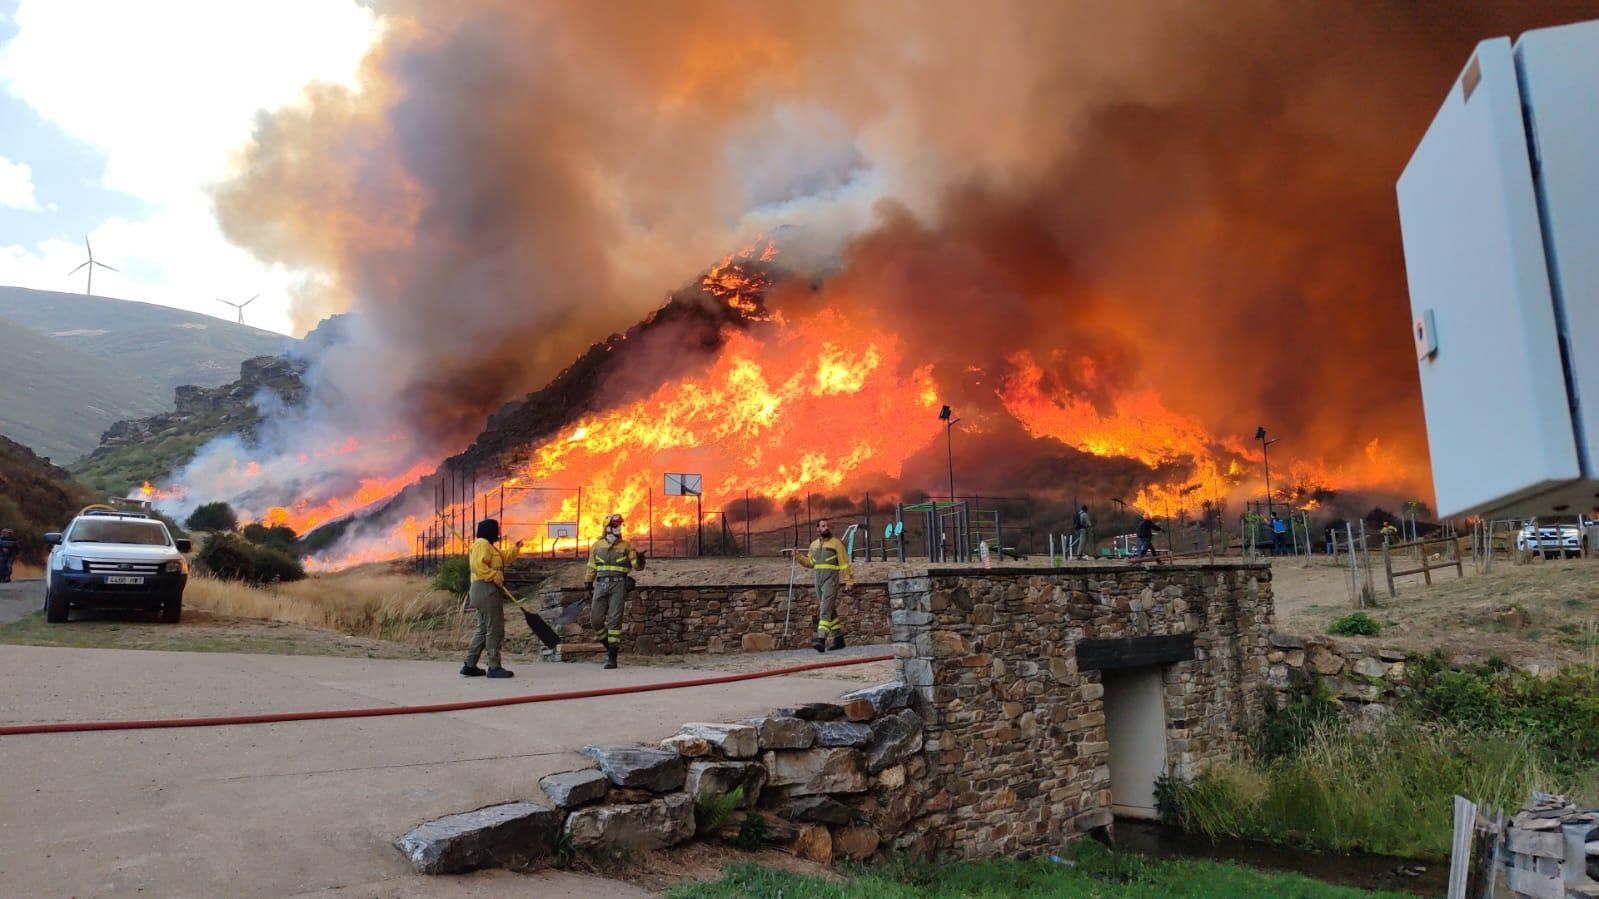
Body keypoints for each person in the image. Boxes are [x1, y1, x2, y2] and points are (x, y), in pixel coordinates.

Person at [463, 518, 519, 679]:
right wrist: (494, 576)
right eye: (496, 529)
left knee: (483, 628)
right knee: (495, 628)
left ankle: (470, 665)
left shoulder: (490, 546)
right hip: (486, 589)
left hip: (485, 589)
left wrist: (515, 548)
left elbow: (504, 557)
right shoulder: (481, 544)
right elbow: (478, 565)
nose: (498, 532)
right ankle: (494, 666)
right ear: (489, 530)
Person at [586, 513, 644, 670]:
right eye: (615, 525)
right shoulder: (596, 546)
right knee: (596, 620)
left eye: (619, 525)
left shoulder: (627, 546)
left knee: (614, 620)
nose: (618, 528)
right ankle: (609, 646)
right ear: (607, 527)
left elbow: (636, 566)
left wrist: (640, 559)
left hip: (619, 586)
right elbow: (591, 567)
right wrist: (587, 585)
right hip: (600, 585)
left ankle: (612, 657)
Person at [797, 518, 853, 653]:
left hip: (831, 580)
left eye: (827, 525)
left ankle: (821, 639)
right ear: (818, 529)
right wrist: (798, 556)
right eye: (823, 526)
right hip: (818, 580)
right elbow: (811, 563)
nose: (826, 528)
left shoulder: (836, 544)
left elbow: (844, 564)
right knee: (829, 610)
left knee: (824, 610)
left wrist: (849, 581)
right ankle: (839, 640)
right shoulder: (813, 545)